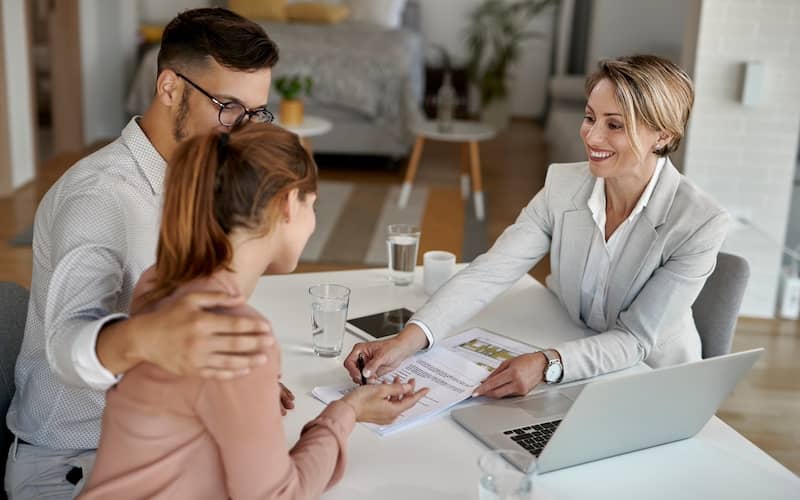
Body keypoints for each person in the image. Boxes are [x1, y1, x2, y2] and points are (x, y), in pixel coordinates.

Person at [5, 9, 293, 499]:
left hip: (156, 441)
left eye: (255, 113)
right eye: (228, 107)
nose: (242, 131)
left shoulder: (196, 181)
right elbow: (67, 346)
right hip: (74, 462)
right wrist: (150, 337)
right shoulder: (99, 197)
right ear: (169, 88)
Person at [345, 55, 730, 398]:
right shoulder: (562, 186)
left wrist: (548, 363)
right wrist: (408, 340)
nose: (592, 136)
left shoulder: (698, 223)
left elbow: (635, 339)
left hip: (650, 381)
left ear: (663, 135)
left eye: (614, 125)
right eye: (590, 117)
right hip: (569, 346)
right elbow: (490, 272)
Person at [78, 124, 428, 500]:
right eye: (312, 205)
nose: (313, 221)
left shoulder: (158, 280)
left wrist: (249, 392)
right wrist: (348, 411)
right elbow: (277, 495)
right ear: (288, 203)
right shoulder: (237, 333)